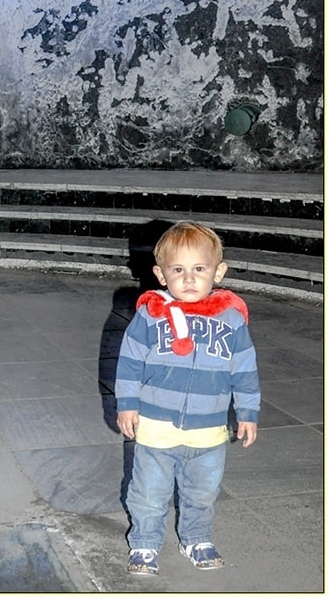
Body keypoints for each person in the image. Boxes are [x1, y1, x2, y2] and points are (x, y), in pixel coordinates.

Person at [115, 221, 260, 575]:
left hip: (208, 431)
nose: (189, 278)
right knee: (149, 492)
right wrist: (127, 404)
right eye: (178, 270)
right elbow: (130, 363)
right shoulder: (151, 316)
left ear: (218, 271)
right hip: (156, 426)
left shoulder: (231, 320)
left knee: (202, 493)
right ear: (161, 275)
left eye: (199, 269)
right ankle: (146, 543)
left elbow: (244, 369)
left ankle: (196, 537)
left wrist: (248, 412)